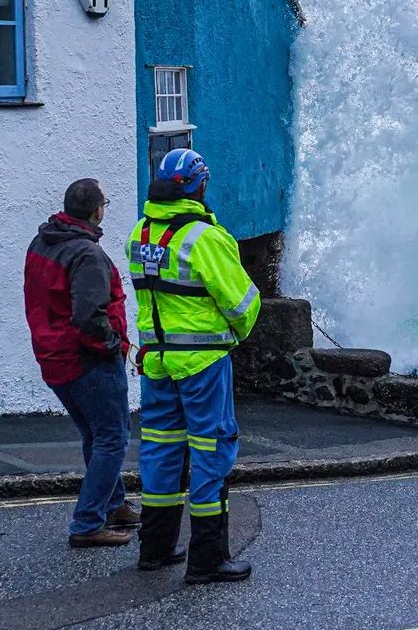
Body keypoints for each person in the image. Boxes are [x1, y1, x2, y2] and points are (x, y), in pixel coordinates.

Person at [127, 149, 262, 583]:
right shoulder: (204, 238)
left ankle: (156, 549)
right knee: (211, 451)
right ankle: (206, 559)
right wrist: (235, 335)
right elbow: (241, 302)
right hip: (202, 364)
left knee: (161, 451)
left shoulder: (140, 233)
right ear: (199, 185)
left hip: (158, 363)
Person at [24, 178, 138, 548]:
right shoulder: (86, 254)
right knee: (112, 439)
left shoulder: (42, 242)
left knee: (95, 435)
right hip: (88, 360)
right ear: (96, 210)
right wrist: (113, 345)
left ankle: (113, 504)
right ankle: (87, 522)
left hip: (54, 357)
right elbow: (89, 316)